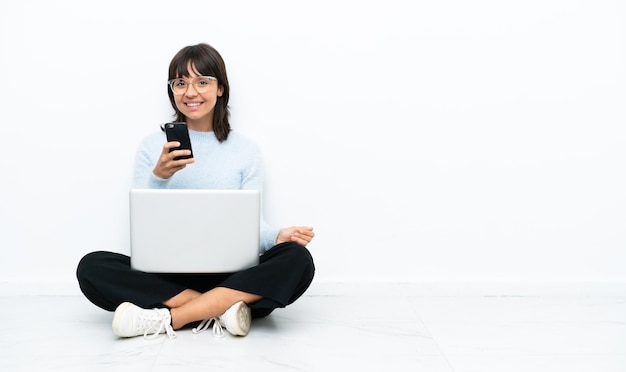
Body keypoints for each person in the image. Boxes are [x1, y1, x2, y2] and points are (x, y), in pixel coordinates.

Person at [76, 43, 315, 340]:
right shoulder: (153, 147)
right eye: (180, 83)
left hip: (230, 274)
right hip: (169, 275)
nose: (190, 92)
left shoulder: (245, 151)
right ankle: (225, 309)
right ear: (171, 90)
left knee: (297, 260)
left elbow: (250, 222)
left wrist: (277, 237)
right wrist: (159, 178)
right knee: (92, 267)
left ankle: (170, 317)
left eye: (202, 82)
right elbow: (143, 223)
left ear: (220, 89)